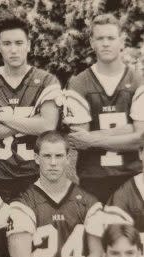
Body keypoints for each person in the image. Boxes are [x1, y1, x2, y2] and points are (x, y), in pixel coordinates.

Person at [0, 16, 62, 202]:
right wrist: (33, 121)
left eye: (19, 43)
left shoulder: (46, 80)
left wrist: (3, 118)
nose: (13, 49)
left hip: (34, 175)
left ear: (29, 45)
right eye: (7, 43)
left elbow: (48, 126)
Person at [7, 131, 103, 257]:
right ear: (36, 158)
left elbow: (97, 254)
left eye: (59, 156)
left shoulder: (89, 202)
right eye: (47, 156)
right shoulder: (23, 202)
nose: (53, 163)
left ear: (68, 158)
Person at [65, 14, 144, 204]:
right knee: (96, 232)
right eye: (100, 38)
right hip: (93, 177)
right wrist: (127, 130)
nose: (106, 43)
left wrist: (92, 138)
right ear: (92, 42)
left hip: (131, 176)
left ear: (121, 41)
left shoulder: (137, 81)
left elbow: (139, 139)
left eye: (111, 38)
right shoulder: (78, 83)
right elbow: (79, 140)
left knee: (133, 233)